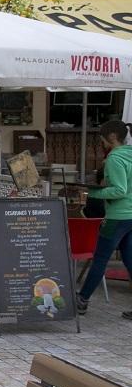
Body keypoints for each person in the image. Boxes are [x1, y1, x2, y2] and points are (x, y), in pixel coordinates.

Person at [77, 120, 132, 318]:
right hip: (131, 216)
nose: (101, 143)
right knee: (130, 259)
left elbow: (119, 190)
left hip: (117, 216)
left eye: (102, 139)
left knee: (100, 258)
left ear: (111, 138)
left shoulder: (115, 159)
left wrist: (92, 193)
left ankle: (82, 300)